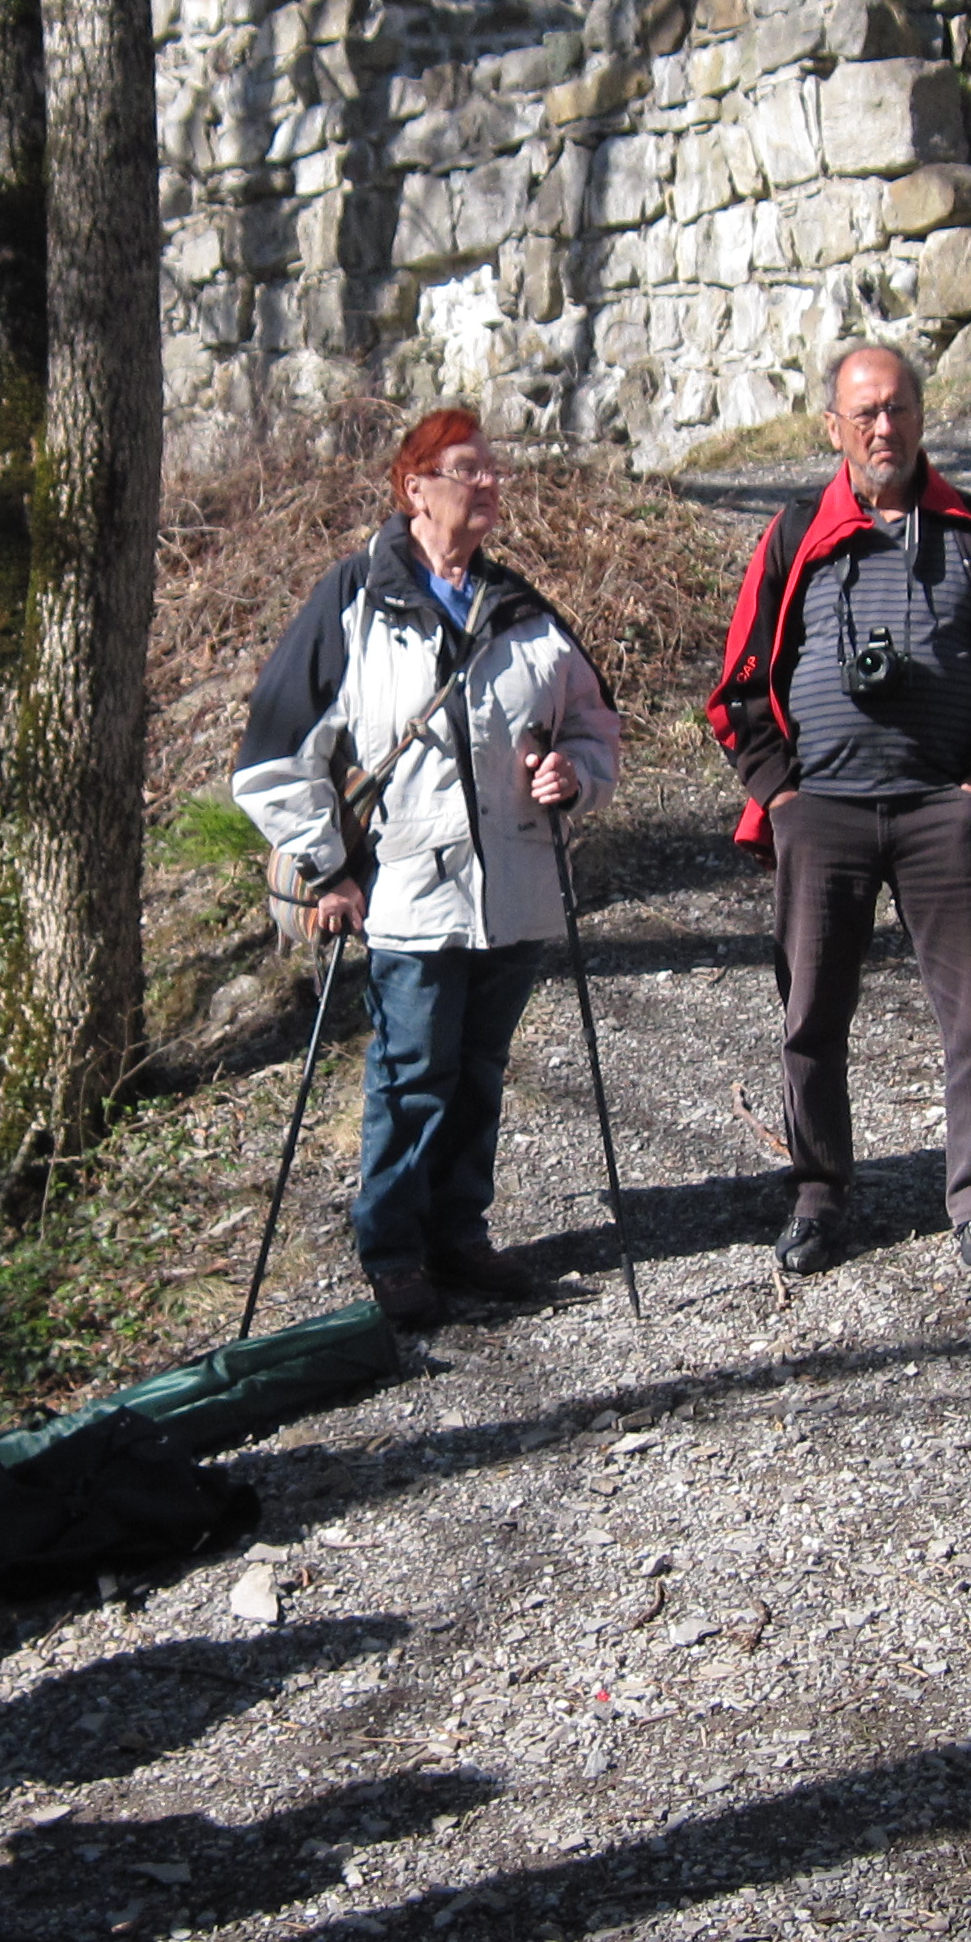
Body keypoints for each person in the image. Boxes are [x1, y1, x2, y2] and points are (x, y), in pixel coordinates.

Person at [235, 408, 624, 1331]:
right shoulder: (352, 601)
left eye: (493, 469)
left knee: (479, 1071)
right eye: (466, 470)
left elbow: (594, 725)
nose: (488, 483)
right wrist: (330, 867)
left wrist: (575, 774)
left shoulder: (523, 610)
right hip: (407, 892)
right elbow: (272, 759)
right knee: (412, 1076)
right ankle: (395, 1254)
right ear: (414, 488)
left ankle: (459, 1237)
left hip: (514, 890)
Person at [703, 343, 971, 1279]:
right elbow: (738, 684)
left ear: (921, 416)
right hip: (822, 814)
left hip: (945, 812)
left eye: (897, 407)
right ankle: (818, 1199)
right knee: (810, 1018)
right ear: (834, 427)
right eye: (863, 412)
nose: (882, 427)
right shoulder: (795, 534)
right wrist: (781, 796)